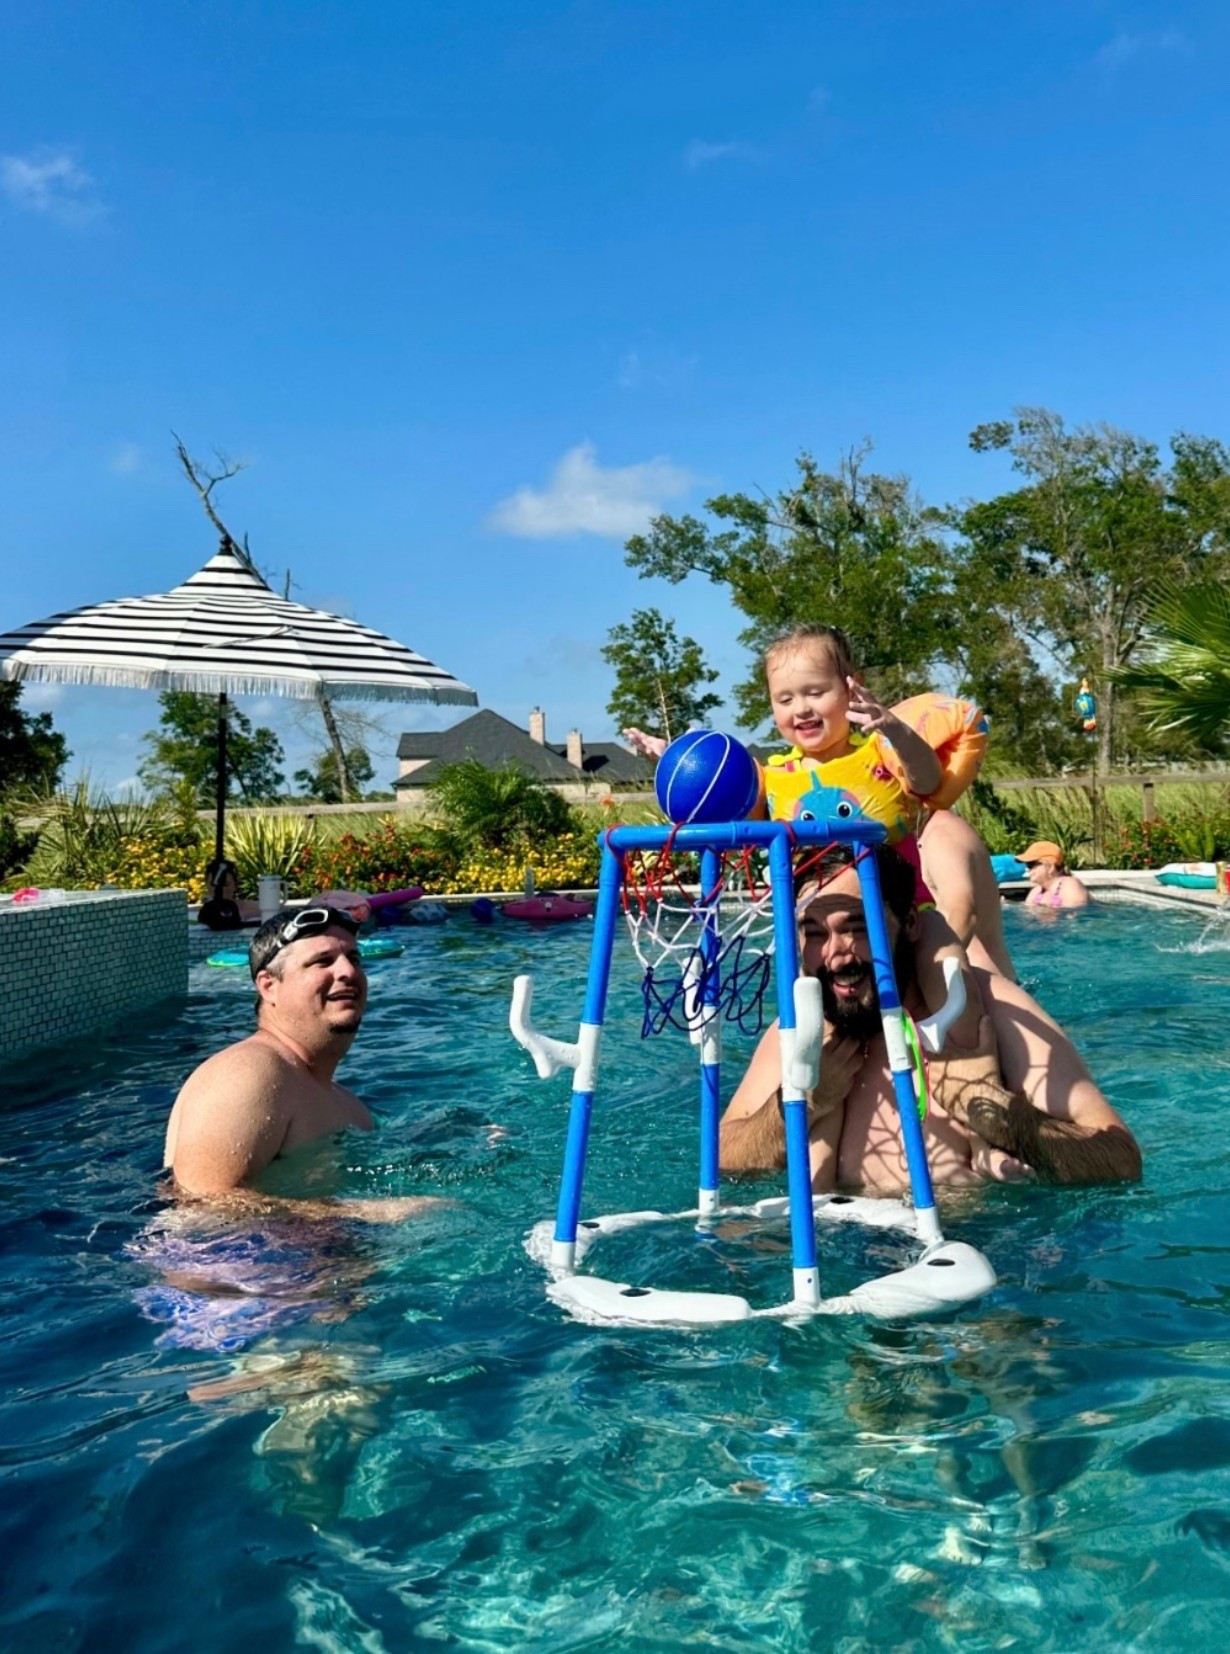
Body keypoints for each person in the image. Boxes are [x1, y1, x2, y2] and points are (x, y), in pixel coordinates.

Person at [719, 846, 1140, 1193]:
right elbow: (721, 1156)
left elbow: (1121, 1160)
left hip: (978, 1260)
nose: (836, 954)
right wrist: (806, 1101)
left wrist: (1000, 1115)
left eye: (859, 927)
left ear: (911, 924)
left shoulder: (991, 1015)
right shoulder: (803, 1031)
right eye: (814, 933)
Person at [164, 904, 432, 1220]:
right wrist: (371, 1213)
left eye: (354, 959)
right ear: (269, 986)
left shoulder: (347, 1104)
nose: (348, 972)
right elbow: (199, 1210)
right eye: (322, 961)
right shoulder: (246, 1071)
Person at [1021, 840, 1091, 911]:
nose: (1027, 869)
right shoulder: (1035, 892)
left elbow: (1077, 919)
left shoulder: (1070, 886)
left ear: (1050, 867)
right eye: (1027, 865)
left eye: (1030, 865)